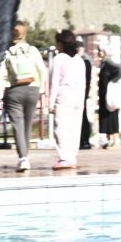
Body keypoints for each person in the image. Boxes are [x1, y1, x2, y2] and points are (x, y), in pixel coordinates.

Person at [0, 21, 46, 172]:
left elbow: (1, 75)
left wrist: (0, 94)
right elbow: (42, 70)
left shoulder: (7, 53)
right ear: (25, 34)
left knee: (18, 125)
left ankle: (23, 159)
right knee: (27, 126)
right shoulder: (32, 50)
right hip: (32, 90)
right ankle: (26, 155)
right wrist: (41, 89)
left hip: (14, 92)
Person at [44, 29, 92, 170]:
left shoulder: (59, 59)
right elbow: (84, 83)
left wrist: (50, 102)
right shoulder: (79, 60)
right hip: (78, 96)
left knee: (61, 127)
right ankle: (72, 157)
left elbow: (54, 82)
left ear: (61, 43)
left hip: (64, 95)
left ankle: (64, 157)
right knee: (75, 127)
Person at [96, 55, 121, 148]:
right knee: (106, 118)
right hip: (104, 96)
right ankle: (110, 140)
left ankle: (115, 140)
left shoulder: (109, 63)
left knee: (112, 117)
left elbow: (120, 69)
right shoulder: (103, 64)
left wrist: (113, 80)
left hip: (109, 95)